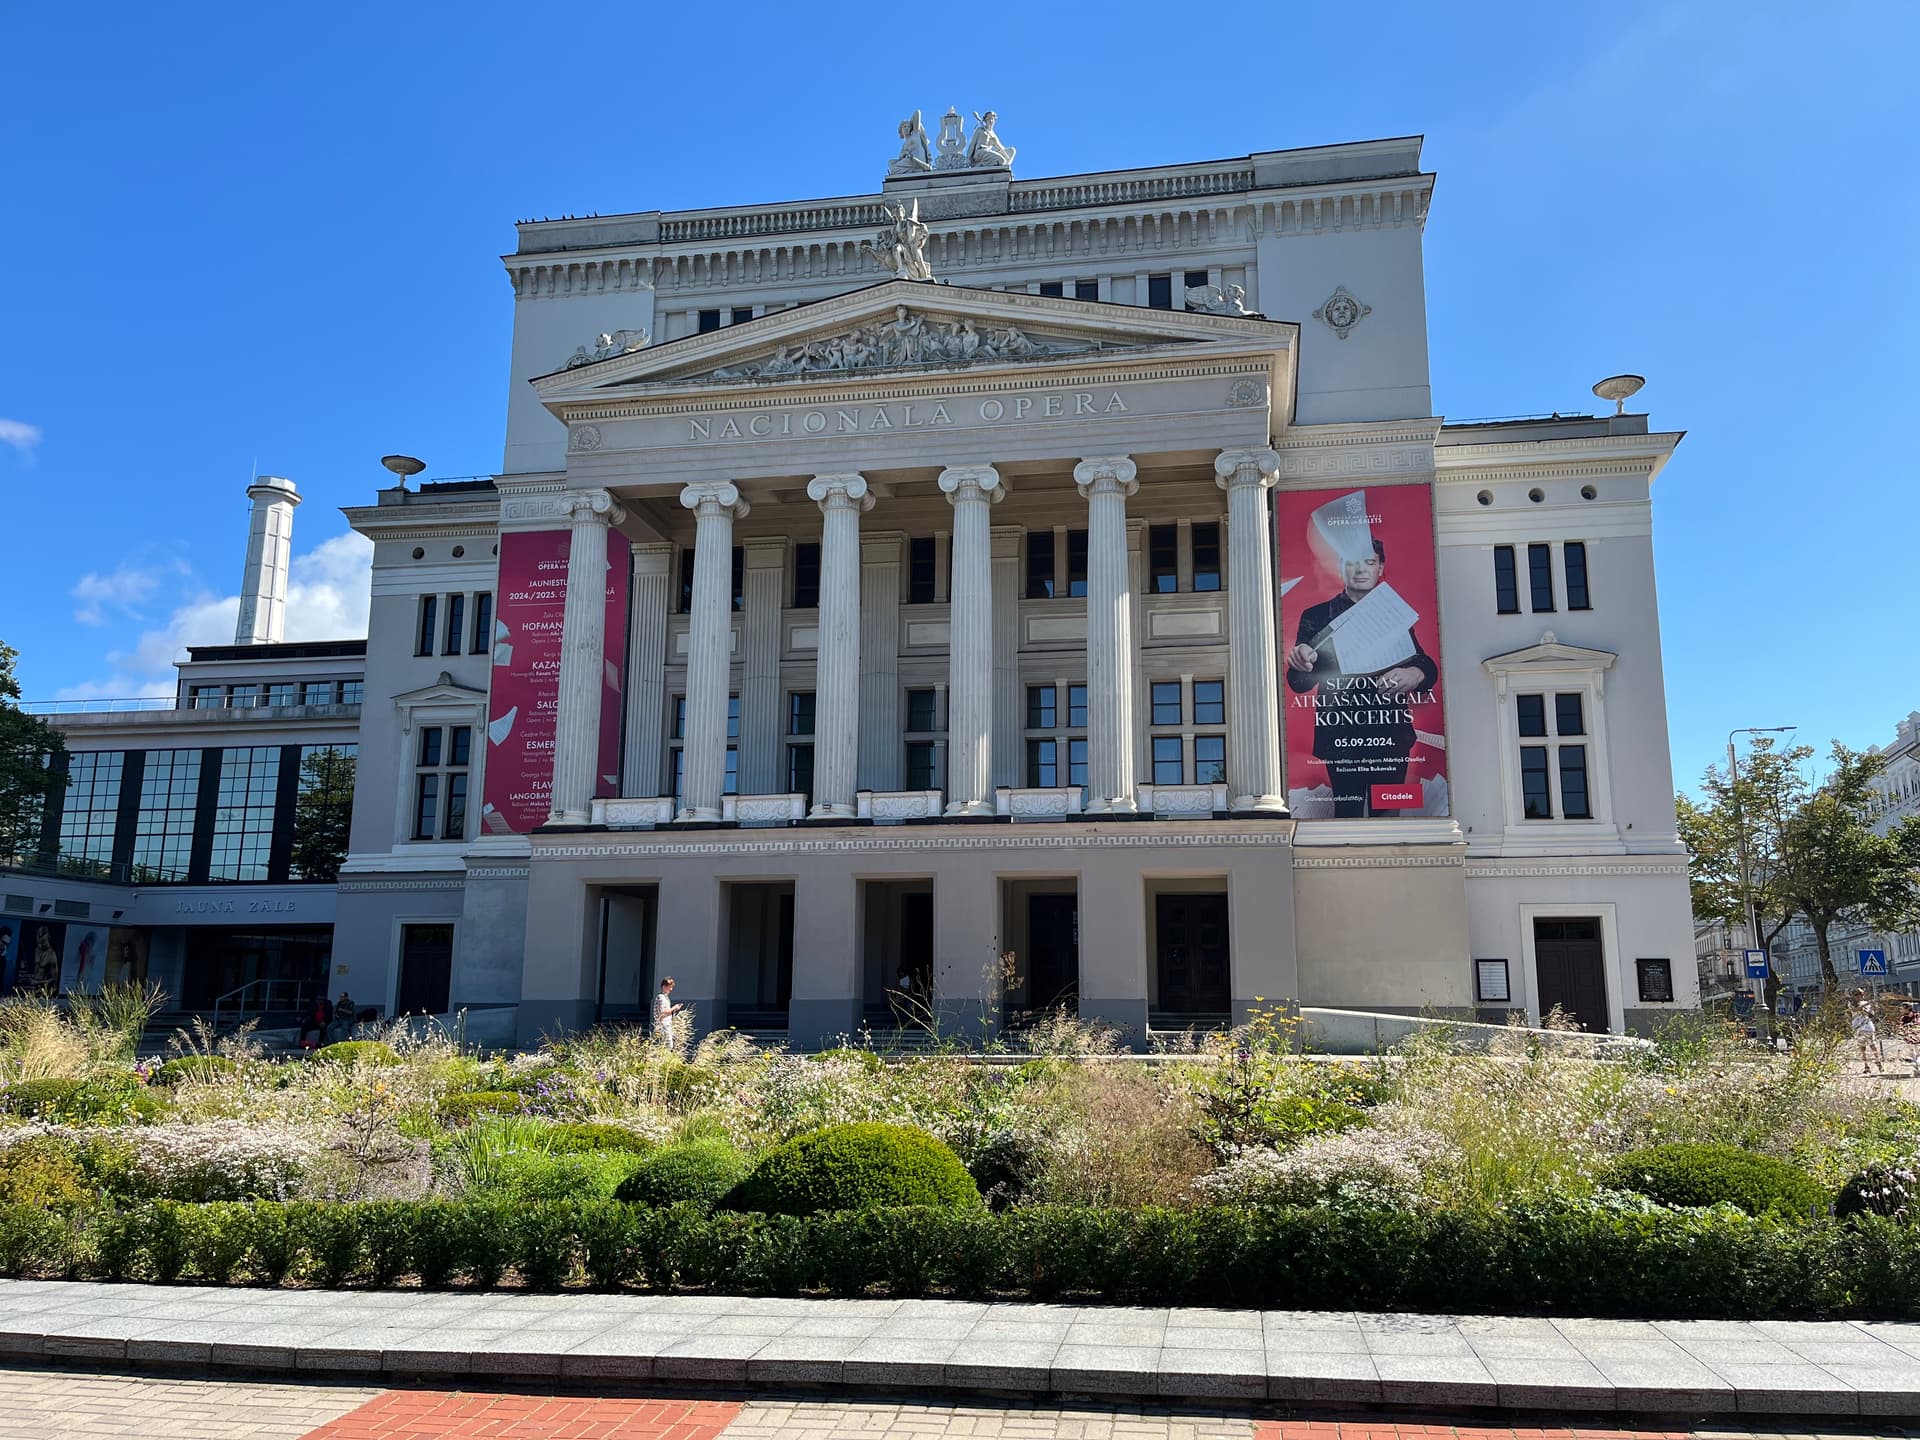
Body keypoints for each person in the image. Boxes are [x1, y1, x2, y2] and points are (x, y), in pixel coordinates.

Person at [1285, 538, 1438, 817]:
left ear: (1381, 567)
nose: (1361, 570)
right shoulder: (1317, 616)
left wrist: (1414, 673)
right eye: (1352, 562)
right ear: (1341, 568)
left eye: (1369, 562)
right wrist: (1301, 662)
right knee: (1347, 816)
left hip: (1390, 736)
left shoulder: (1392, 614)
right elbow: (1298, 683)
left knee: (1389, 818)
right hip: (1341, 736)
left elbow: (1425, 663)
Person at [1850, 988, 1884, 1075]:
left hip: (1867, 1027)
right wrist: (1866, 1005)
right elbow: (1854, 1010)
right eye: (1858, 995)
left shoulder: (1866, 1003)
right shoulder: (1851, 1004)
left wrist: (1869, 1008)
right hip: (1858, 1027)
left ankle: (1878, 1062)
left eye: (1861, 995)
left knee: (1873, 1046)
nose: (1860, 996)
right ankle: (1866, 1066)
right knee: (1862, 1048)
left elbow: (1871, 1015)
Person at [653, 976, 685, 1048]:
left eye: (672, 987)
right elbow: (662, 1013)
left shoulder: (665, 997)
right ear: (664, 986)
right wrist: (674, 1008)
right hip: (663, 1026)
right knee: (667, 1046)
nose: (671, 989)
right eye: (670, 987)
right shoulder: (661, 997)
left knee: (667, 1046)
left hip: (666, 1025)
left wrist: (674, 1010)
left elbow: (665, 1012)